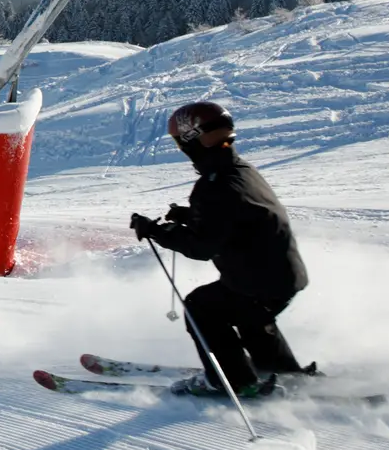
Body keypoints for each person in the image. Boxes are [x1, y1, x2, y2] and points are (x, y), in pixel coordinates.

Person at [130, 102, 308, 398]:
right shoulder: (240, 170)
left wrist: (156, 231)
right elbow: (240, 217)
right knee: (250, 316)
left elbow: (202, 247)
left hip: (257, 280)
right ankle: (279, 370)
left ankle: (232, 381)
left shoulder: (214, 186)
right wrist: (190, 216)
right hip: (284, 274)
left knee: (203, 307)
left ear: (192, 138)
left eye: (179, 141)